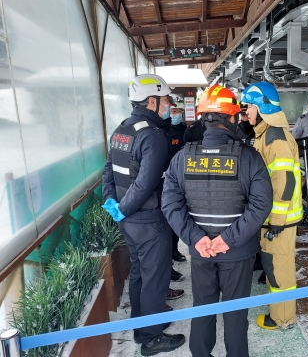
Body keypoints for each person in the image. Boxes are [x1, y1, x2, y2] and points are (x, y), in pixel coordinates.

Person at [162, 84, 273, 357]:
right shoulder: (249, 158)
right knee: (235, 314)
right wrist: (227, 240)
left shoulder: (181, 158)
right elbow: (261, 205)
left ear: (203, 119)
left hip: (201, 253)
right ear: (232, 118)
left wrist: (196, 239)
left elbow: (170, 204)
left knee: (203, 308)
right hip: (238, 252)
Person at [101, 74, 185, 356]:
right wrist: (123, 209)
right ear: (152, 101)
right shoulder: (153, 135)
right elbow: (146, 183)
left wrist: (113, 203)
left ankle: (141, 325)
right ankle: (151, 339)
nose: (168, 106)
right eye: (165, 101)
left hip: (128, 220)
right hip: (148, 220)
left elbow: (108, 170)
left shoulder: (122, 129)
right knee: (155, 278)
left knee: (140, 272)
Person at [241, 82, 303, 331]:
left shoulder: (275, 138)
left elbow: (284, 183)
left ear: (263, 107)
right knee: (273, 265)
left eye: (250, 107)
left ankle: (283, 319)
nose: (246, 112)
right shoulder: (265, 134)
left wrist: (276, 222)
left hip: (280, 222)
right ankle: (278, 311)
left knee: (280, 270)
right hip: (272, 220)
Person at [167, 100, 188, 264]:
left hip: (186, 177)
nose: (175, 114)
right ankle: (172, 250)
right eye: (173, 111)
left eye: (178, 112)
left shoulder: (186, 131)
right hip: (170, 178)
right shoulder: (166, 131)